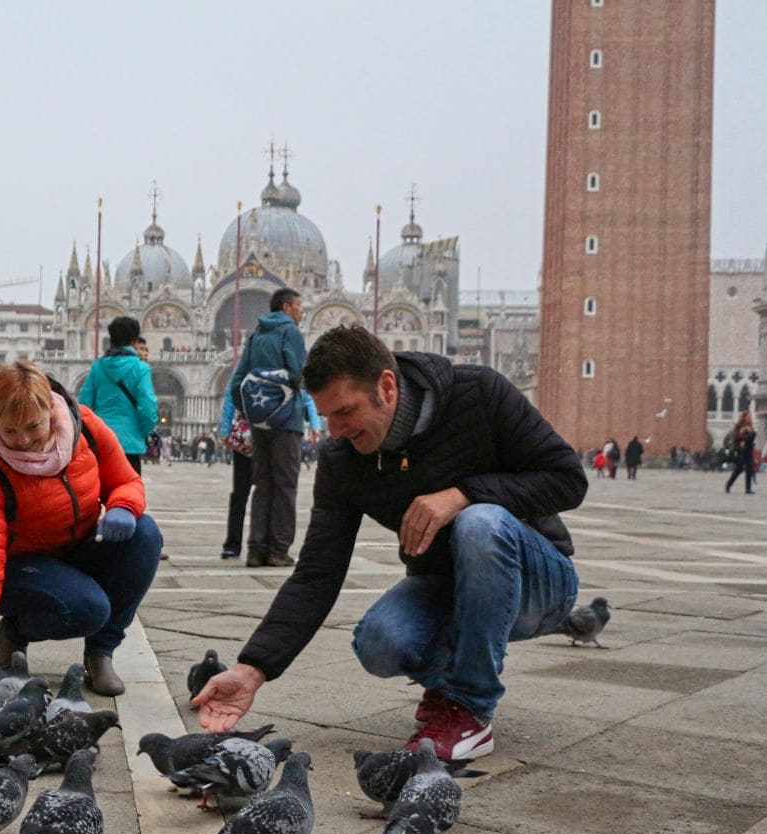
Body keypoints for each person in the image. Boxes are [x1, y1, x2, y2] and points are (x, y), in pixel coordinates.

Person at [192, 323, 586, 762]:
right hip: (448, 585)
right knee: (380, 641)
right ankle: (451, 684)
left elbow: (568, 480)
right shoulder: (343, 461)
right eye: (326, 417)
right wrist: (254, 668)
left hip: (540, 584)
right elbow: (318, 572)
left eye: (345, 412)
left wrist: (463, 495)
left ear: (387, 385)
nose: (335, 431)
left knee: (481, 522)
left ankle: (470, 709)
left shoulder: (479, 392)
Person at [0, 360, 162, 696]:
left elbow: (126, 480)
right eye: (10, 431)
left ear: (50, 408)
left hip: (77, 547)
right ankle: (14, 632)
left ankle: (100, 653)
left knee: (145, 534)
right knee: (89, 609)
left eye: (33, 426)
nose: (24, 440)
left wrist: (123, 505)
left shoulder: (84, 427)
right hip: (19, 571)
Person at [231, 288, 308, 568]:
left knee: (262, 484)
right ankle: (278, 550)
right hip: (287, 421)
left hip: (260, 423)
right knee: (285, 485)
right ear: (287, 307)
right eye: (299, 305)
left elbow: (237, 380)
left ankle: (255, 549)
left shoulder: (256, 334)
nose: (302, 311)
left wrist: (250, 412)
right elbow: (300, 372)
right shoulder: (291, 332)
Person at [80, 317, 158, 474]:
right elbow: (147, 407)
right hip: (130, 444)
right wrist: (145, 431)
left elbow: (84, 405)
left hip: (102, 441)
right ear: (134, 341)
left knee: (101, 494)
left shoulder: (98, 367)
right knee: (129, 493)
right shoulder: (141, 368)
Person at [217, 385, 253, 560]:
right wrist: (224, 430)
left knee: (268, 494)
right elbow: (231, 393)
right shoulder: (246, 362)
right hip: (247, 437)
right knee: (241, 492)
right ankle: (233, 543)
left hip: (275, 435)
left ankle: (261, 545)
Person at [724, 411, 756, 494]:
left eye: (751, 416)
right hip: (740, 450)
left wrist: (748, 435)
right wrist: (747, 435)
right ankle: (729, 483)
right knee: (740, 468)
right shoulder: (738, 427)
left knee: (749, 469)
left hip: (748, 449)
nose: (750, 418)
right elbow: (736, 437)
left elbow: (752, 437)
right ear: (744, 417)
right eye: (748, 416)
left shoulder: (751, 427)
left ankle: (748, 489)